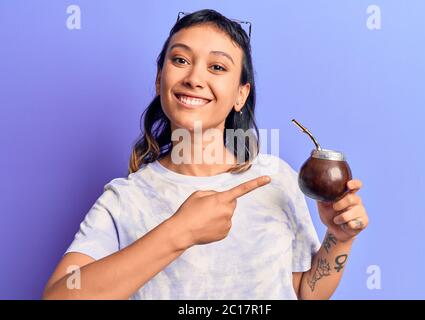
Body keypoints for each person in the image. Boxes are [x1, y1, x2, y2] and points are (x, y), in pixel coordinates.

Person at [42, 9, 369, 300]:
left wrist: (339, 239)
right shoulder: (125, 199)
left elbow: (304, 291)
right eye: (180, 60)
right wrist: (178, 232)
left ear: (241, 94)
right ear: (159, 79)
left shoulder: (277, 179)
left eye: (217, 66)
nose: (195, 78)